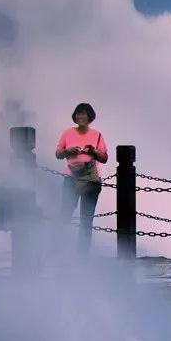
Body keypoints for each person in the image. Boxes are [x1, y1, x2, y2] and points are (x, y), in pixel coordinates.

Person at [55, 103, 108, 253]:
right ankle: (58, 248)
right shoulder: (67, 133)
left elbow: (104, 158)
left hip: (91, 179)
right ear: (75, 116)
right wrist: (68, 151)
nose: (80, 116)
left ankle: (82, 252)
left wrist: (93, 151)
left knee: (86, 218)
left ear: (90, 117)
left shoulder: (97, 134)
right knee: (65, 214)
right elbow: (58, 154)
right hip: (71, 178)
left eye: (83, 114)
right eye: (78, 113)